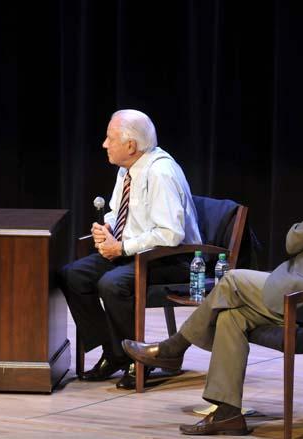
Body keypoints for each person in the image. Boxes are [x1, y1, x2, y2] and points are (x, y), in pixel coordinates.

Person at [122, 132, 303, 435]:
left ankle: (173, 348)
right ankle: (227, 413)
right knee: (234, 316)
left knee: (232, 280)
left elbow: (293, 239)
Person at [59, 109, 202, 389]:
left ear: (130, 146)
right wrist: (107, 229)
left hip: (173, 258)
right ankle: (114, 353)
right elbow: (118, 211)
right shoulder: (127, 169)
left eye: (110, 138)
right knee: (72, 275)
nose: (104, 144)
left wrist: (121, 247)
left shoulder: (160, 172)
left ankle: (140, 359)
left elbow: (170, 234)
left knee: (112, 284)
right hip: (135, 251)